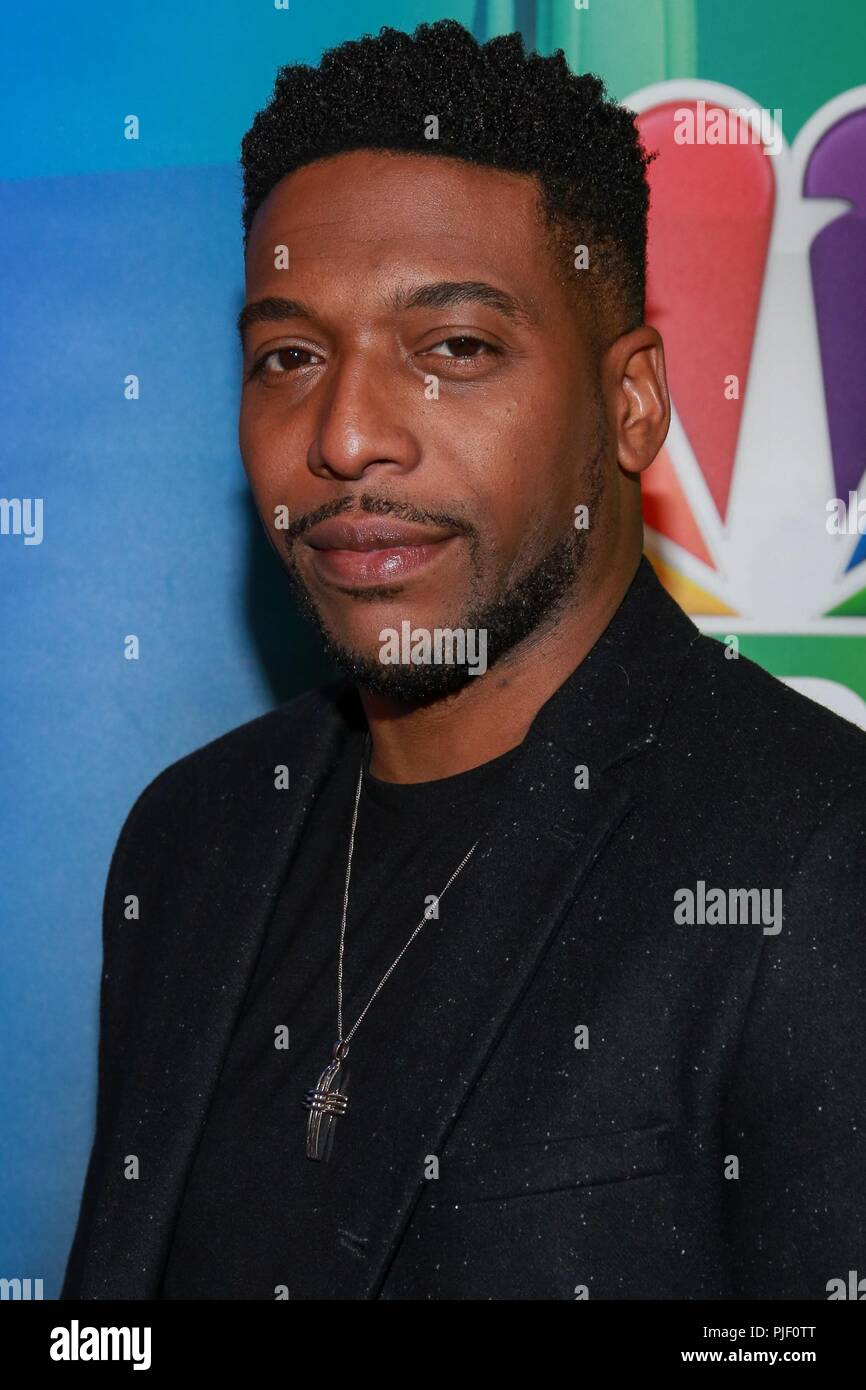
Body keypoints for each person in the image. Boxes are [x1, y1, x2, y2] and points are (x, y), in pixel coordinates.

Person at [61, 20, 866, 1300]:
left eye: (453, 350)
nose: (344, 434)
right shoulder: (189, 836)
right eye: (289, 356)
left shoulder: (816, 850)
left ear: (630, 405)